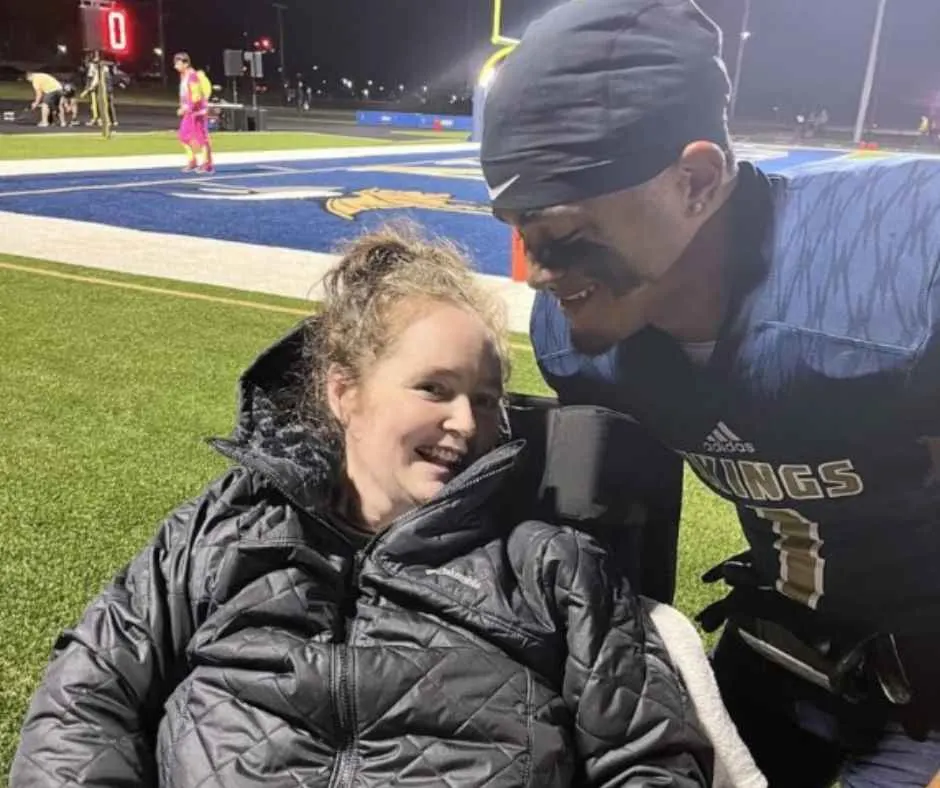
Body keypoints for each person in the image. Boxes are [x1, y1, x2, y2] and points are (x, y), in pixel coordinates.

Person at [11, 223, 716, 786]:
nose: (466, 424)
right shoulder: (222, 529)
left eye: (486, 398)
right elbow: (85, 700)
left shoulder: (552, 566)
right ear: (344, 392)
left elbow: (650, 758)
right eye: (434, 389)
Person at [479, 0, 940, 785]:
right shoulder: (586, 346)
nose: (541, 271)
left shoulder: (899, 273)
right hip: (780, 656)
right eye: (521, 231)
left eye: (559, 231)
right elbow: (614, 548)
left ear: (694, 180)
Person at [174, 52, 213, 174]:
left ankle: (207, 164)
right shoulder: (184, 76)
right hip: (190, 111)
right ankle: (192, 161)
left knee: (201, 137)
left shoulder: (192, 76)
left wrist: (187, 108)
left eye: (178, 63)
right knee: (183, 136)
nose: (176, 66)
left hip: (197, 111)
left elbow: (196, 96)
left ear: (185, 63)